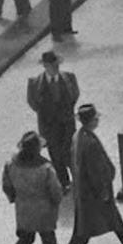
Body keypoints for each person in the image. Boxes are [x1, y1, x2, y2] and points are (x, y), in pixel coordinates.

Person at [66, 104, 123, 244]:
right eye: (96, 118)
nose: (98, 121)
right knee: (91, 220)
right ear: (91, 120)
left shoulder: (79, 136)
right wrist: (102, 189)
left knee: (103, 216)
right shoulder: (90, 142)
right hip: (94, 189)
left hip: (85, 188)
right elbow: (95, 170)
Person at [2, 130, 62, 244]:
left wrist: (14, 198)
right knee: (48, 240)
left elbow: (7, 186)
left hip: (23, 209)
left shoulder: (11, 165)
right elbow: (55, 190)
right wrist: (56, 202)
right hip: (44, 209)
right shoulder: (46, 168)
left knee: (24, 240)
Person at [26, 48, 79, 189]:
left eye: (57, 65)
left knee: (71, 154)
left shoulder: (69, 78)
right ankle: (64, 183)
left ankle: (78, 181)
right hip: (49, 126)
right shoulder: (34, 83)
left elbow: (74, 96)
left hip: (67, 124)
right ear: (45, 66)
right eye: (52, 66)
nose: (55, 68)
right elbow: (33, 103)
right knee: (55, 155)